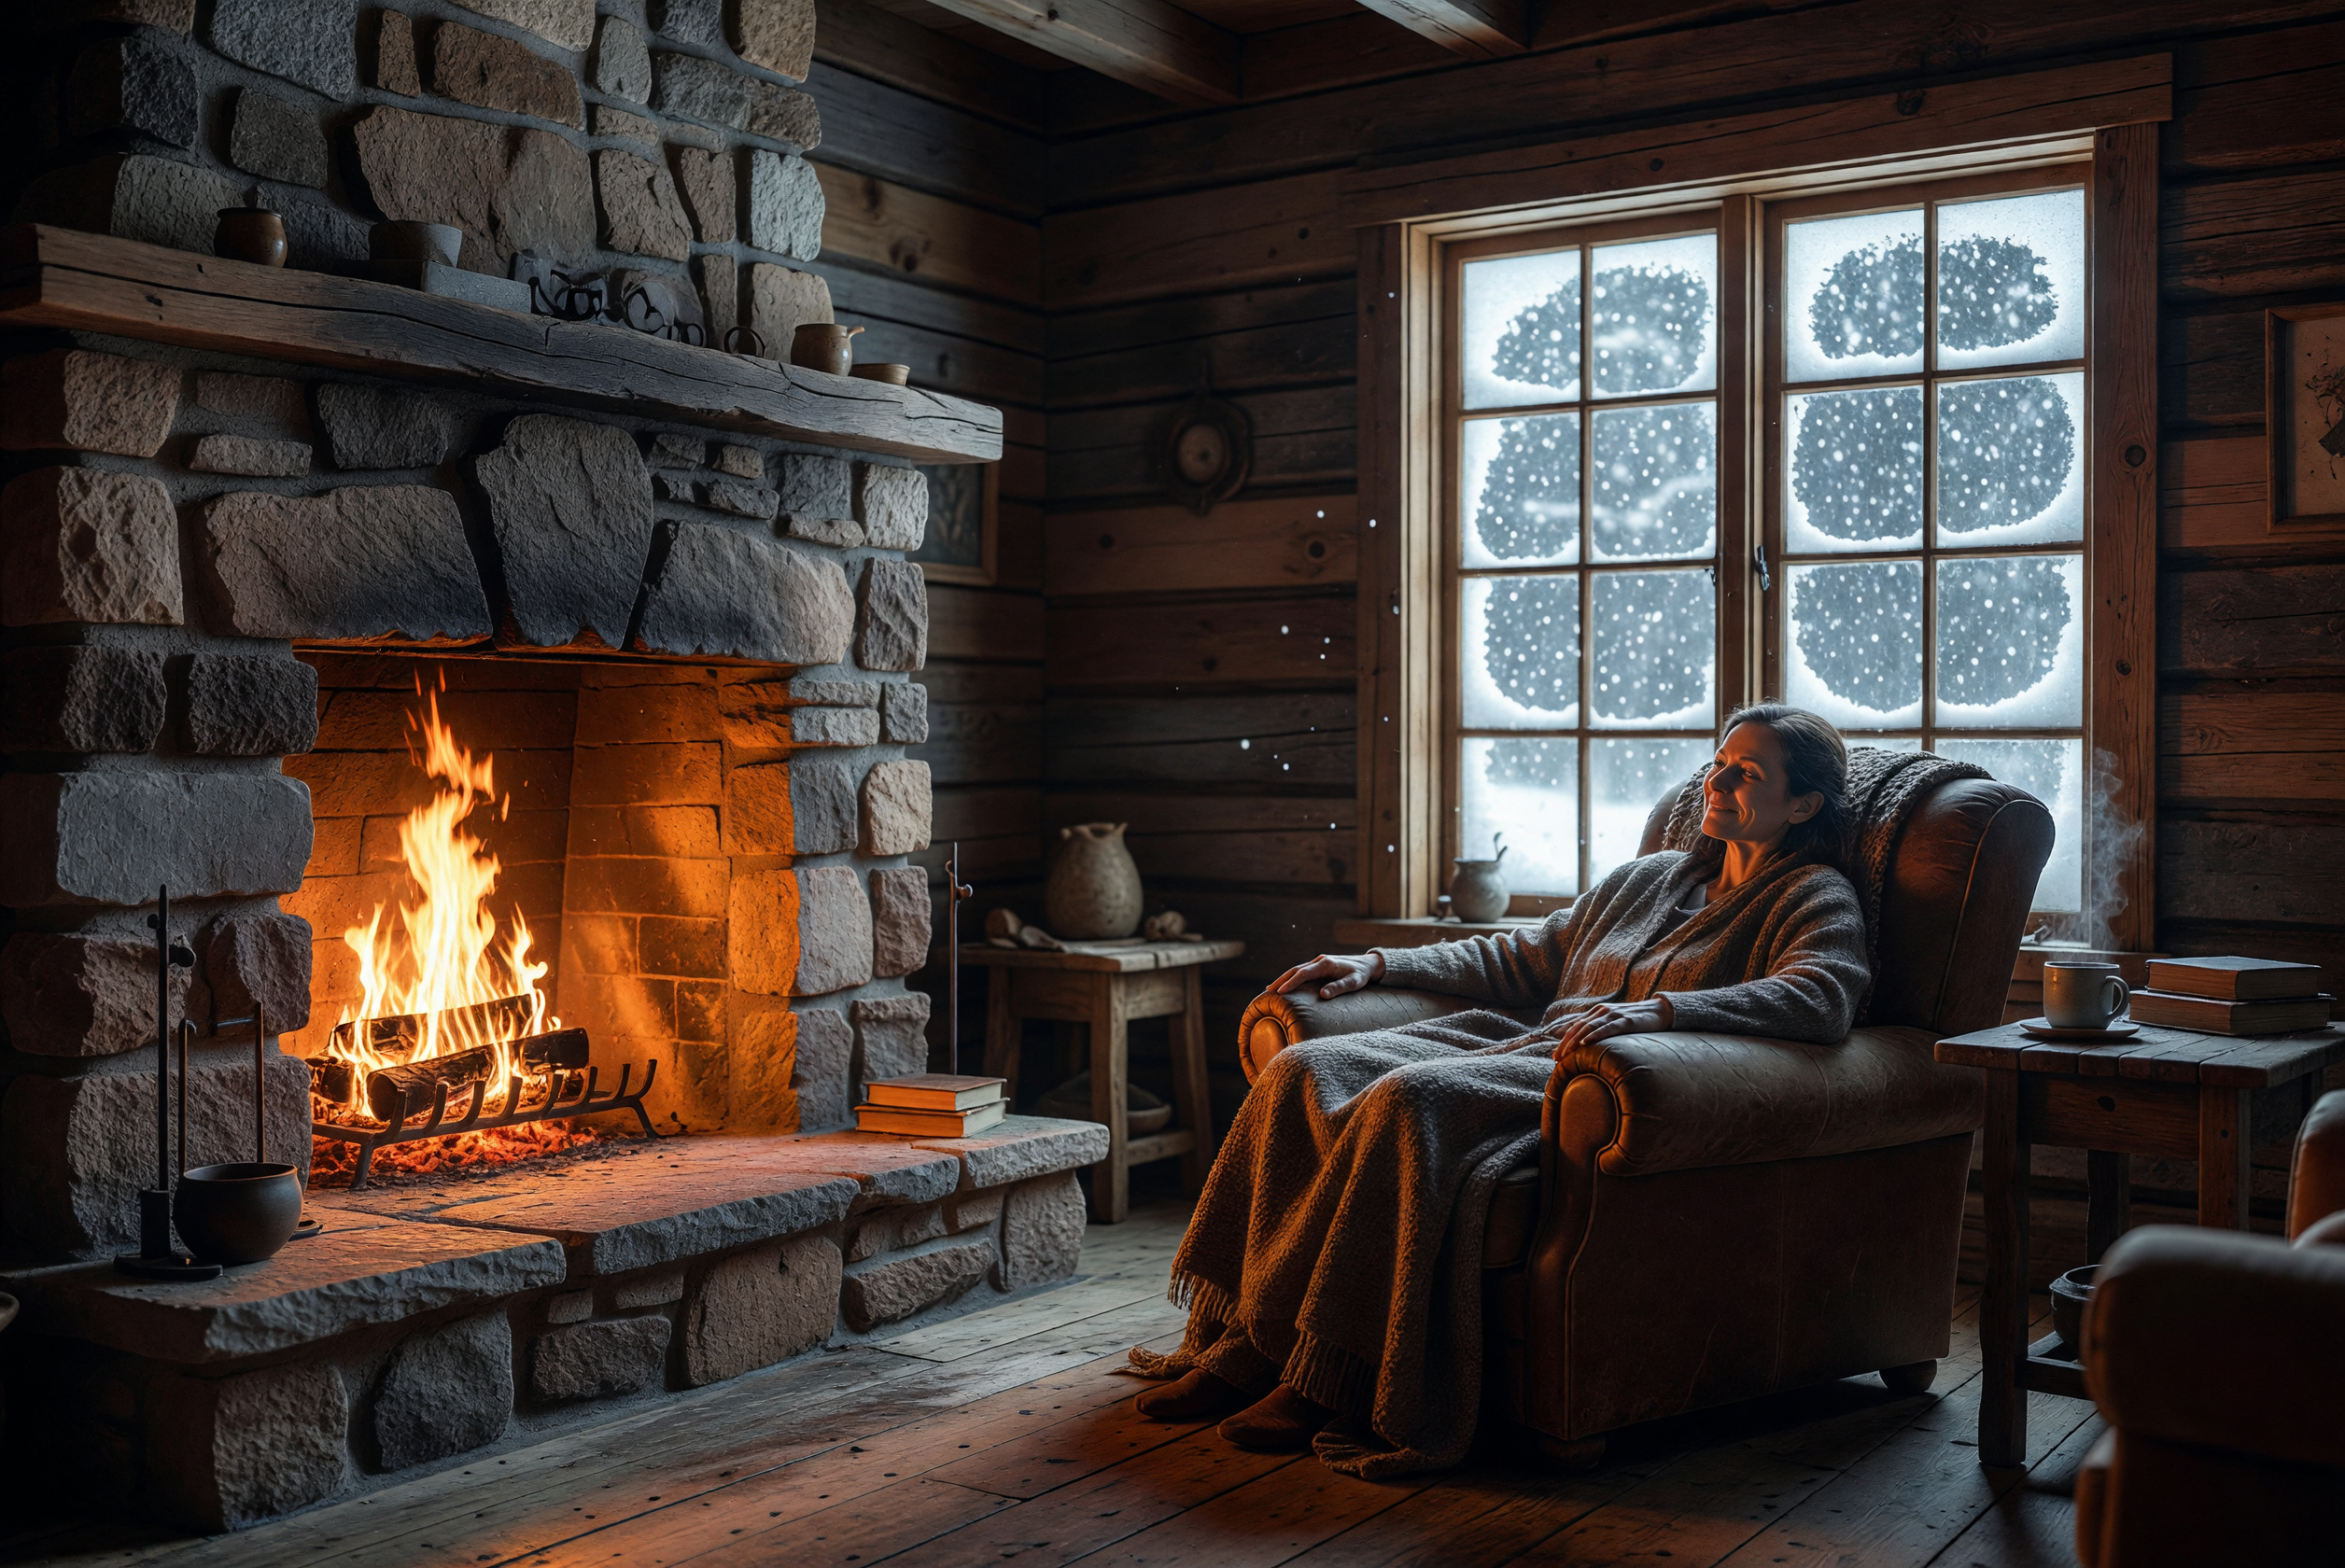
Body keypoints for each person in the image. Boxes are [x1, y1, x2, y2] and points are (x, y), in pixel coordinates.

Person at [1125, 704, 1872, 1477]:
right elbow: (1526, 954)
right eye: (1718, 761)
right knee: (1301, 1069)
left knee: (1410, 1100)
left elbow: (1820, 998)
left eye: (1746, 773)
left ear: (1804, 805)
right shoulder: (1650, 878)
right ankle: (1242, 1339)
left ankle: (1328, 1375)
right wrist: (1377, 965)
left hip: (1603, 1079)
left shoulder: (1814, 896)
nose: (1715, 780)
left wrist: (1661, 1010)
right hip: (1521, 1042)